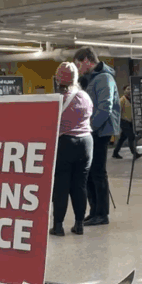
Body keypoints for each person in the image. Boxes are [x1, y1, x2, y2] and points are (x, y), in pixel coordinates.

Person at [73, 47, 120, 226]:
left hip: (99, 132)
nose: (78, 68)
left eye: (79, 64)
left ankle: (102, 213)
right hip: (92, 131)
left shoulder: (103, 78)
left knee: (98, 173)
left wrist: (89, 128)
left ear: (87, 60)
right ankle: (94, 211)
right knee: (91, 173)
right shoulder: (91, 79)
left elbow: (104, 108)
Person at [50, 62, 93, 237]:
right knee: (80, 185)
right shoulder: (85, 96)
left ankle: (58, 226)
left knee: (61, 186)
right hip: (86, 143)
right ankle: (79, 224)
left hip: (65, 143)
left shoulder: (58, 99)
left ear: (58, 79)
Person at [112, 85, 142, 159]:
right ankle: (135, 153)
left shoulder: (132, 100)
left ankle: (115, 152)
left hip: (130, 121)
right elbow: (118, 112)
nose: (129, 90)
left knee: (122, 138)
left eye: (130, 89)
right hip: (123, 121)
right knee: (131, 136)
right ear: (124, 90)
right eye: (128, 89)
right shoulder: (122, 100)